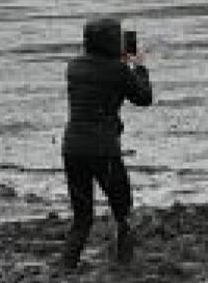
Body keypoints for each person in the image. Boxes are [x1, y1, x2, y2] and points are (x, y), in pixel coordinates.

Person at [60, 17, 153, 270]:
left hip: (72, 148)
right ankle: (124, 265)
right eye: (118, 37)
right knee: (123, 212)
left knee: (82, 218)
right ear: (111, 41)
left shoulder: (74, 67)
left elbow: (100, 79)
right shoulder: (119, 71)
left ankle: (67, 267)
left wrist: (121, 63)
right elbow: (144, 98)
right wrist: (140, 67)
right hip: (103, 151)